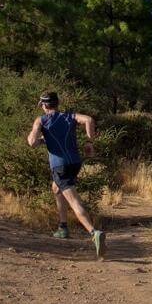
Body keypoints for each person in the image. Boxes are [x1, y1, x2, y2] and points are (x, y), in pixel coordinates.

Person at [26, 91, 105, 258]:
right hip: (75, 163)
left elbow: (32, 142)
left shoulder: (41, 120)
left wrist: (41, 140)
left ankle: (94, 232)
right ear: (57, 103)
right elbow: (89, 120)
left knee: (73, 200)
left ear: (44, 105)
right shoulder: (70, 116)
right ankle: (63, 227)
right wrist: (89, 142)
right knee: (56, 188)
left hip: (59, 166)